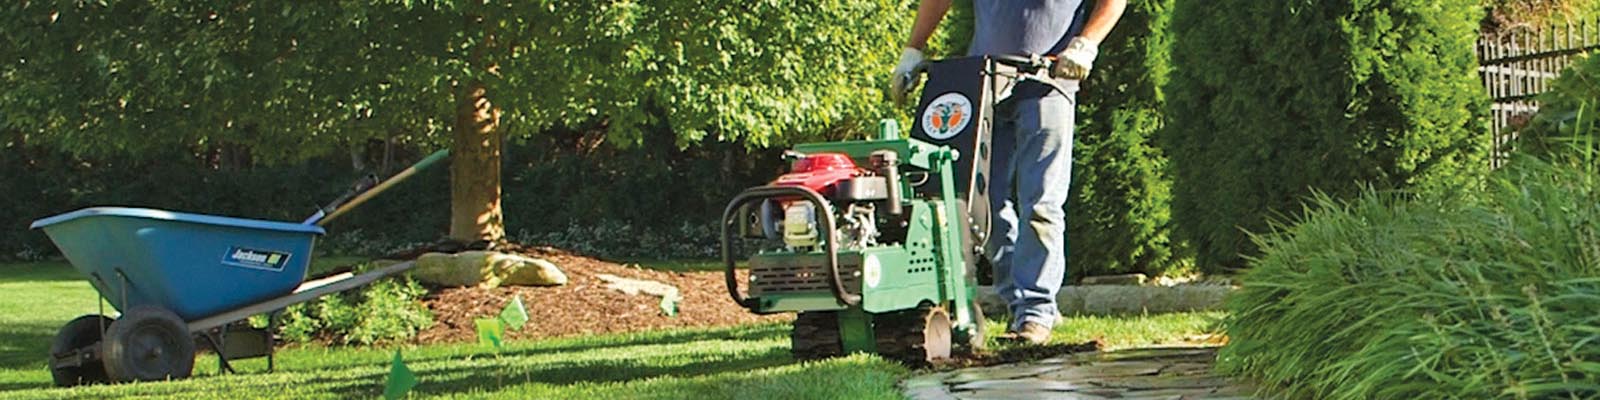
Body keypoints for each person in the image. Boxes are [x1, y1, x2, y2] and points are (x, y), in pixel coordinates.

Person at [890, 0, 1126, 344]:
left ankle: (1035, 310)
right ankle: (1020, 300)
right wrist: (913, 49)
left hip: (1049, 81)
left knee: (1041, 203)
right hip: (982, 83)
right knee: (980, 203)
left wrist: (1087, 43)